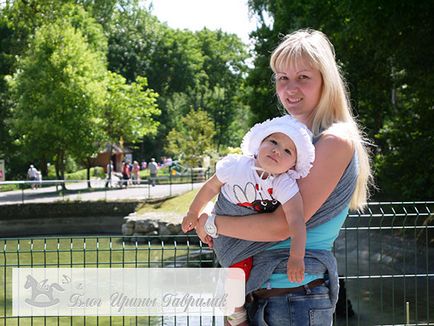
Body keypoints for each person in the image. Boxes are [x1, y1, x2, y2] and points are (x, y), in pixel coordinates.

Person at [194, 29, 372, 326]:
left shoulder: (334, 141)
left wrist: (213, 224)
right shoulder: (293, 142)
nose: (290, 88)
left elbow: (281, 226)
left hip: (292, 299)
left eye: (303, 77)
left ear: (326, 81)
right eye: (281, 78)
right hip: (270, 295)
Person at [183, 115, 315, 325]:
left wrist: (296, 257)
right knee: (235, 272)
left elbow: (296, 220)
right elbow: (211, 187)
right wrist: (193, 212)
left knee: (238, 271)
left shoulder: (283, 184)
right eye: (273, 142)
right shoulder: (235, 166)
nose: (277, 150)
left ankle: (235, 314)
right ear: (259, 142)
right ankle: (236, 314)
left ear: (293, 165)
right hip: (226, 224)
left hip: (247, 235)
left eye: (288, 151)